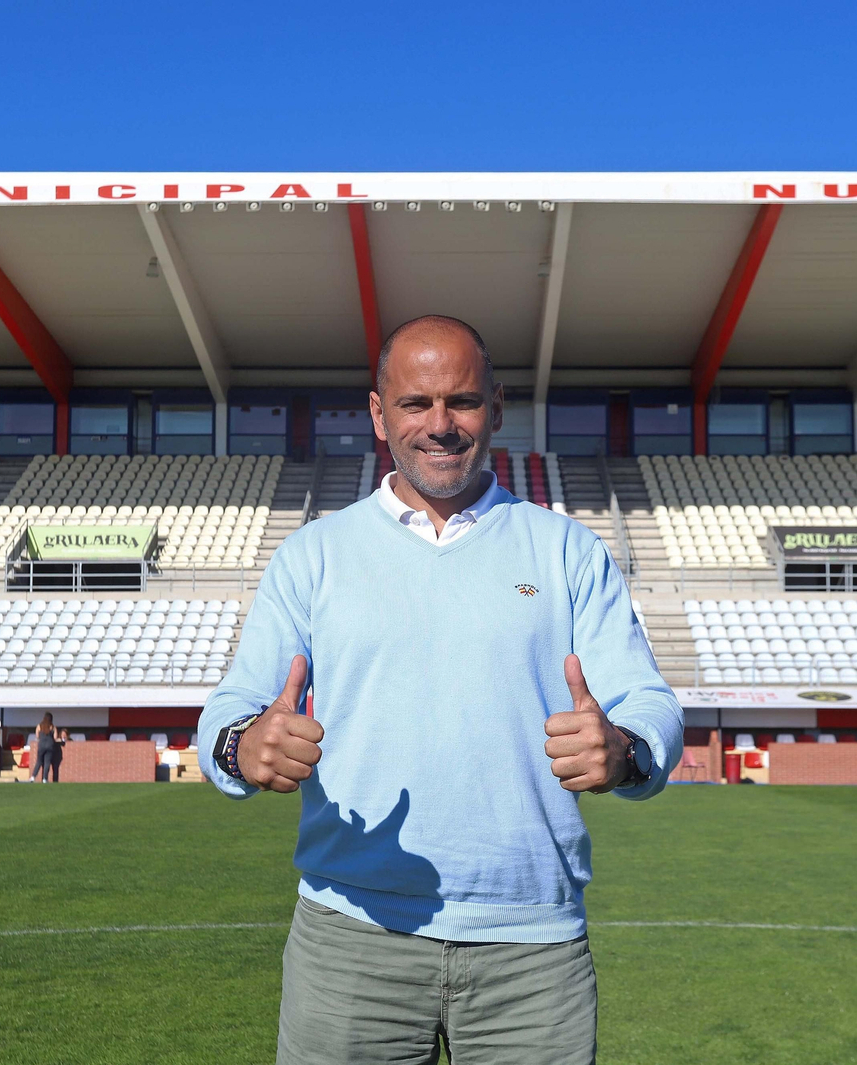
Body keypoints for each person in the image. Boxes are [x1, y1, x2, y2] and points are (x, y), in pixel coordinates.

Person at [199, 314, 683, 1064]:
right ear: (377, 413)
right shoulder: (314, 556)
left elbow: (647, 704)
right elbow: (229, 714)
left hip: (533, 951)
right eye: (415, 403)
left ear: (496, 406)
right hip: (351, 937)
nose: (440, 425)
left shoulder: (566, 550)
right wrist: (243, 745)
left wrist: (623, 748)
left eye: (461, 401)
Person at [31, 713, 57, 783]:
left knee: (39, 762)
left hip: (41, 745)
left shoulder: (39, 726)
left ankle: (33, 777)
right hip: (50, 746)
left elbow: (37, 736)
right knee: (47, 763)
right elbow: (55, 737)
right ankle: (45, 779)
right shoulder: (53, 727)